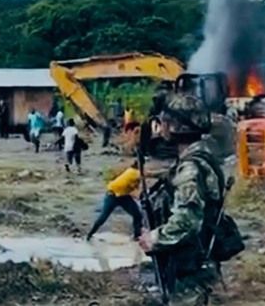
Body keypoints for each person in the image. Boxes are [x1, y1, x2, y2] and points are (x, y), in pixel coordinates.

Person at [139, 116, 238, 305]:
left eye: (165, 122)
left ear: (177, 128)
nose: (161, 128)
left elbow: (188, 220)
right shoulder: (201, 158)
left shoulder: (191, 169)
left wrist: (154, 238)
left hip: (191, 262)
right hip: (195, 257)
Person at [86, 162, 143, 241]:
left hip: (123, 195)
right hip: (113, 196)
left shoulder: (130, 171)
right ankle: (90, 234)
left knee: (137, 215)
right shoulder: (135, 173)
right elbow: (146, 175)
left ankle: (137, 236)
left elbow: (134, 187)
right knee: (103, 217)